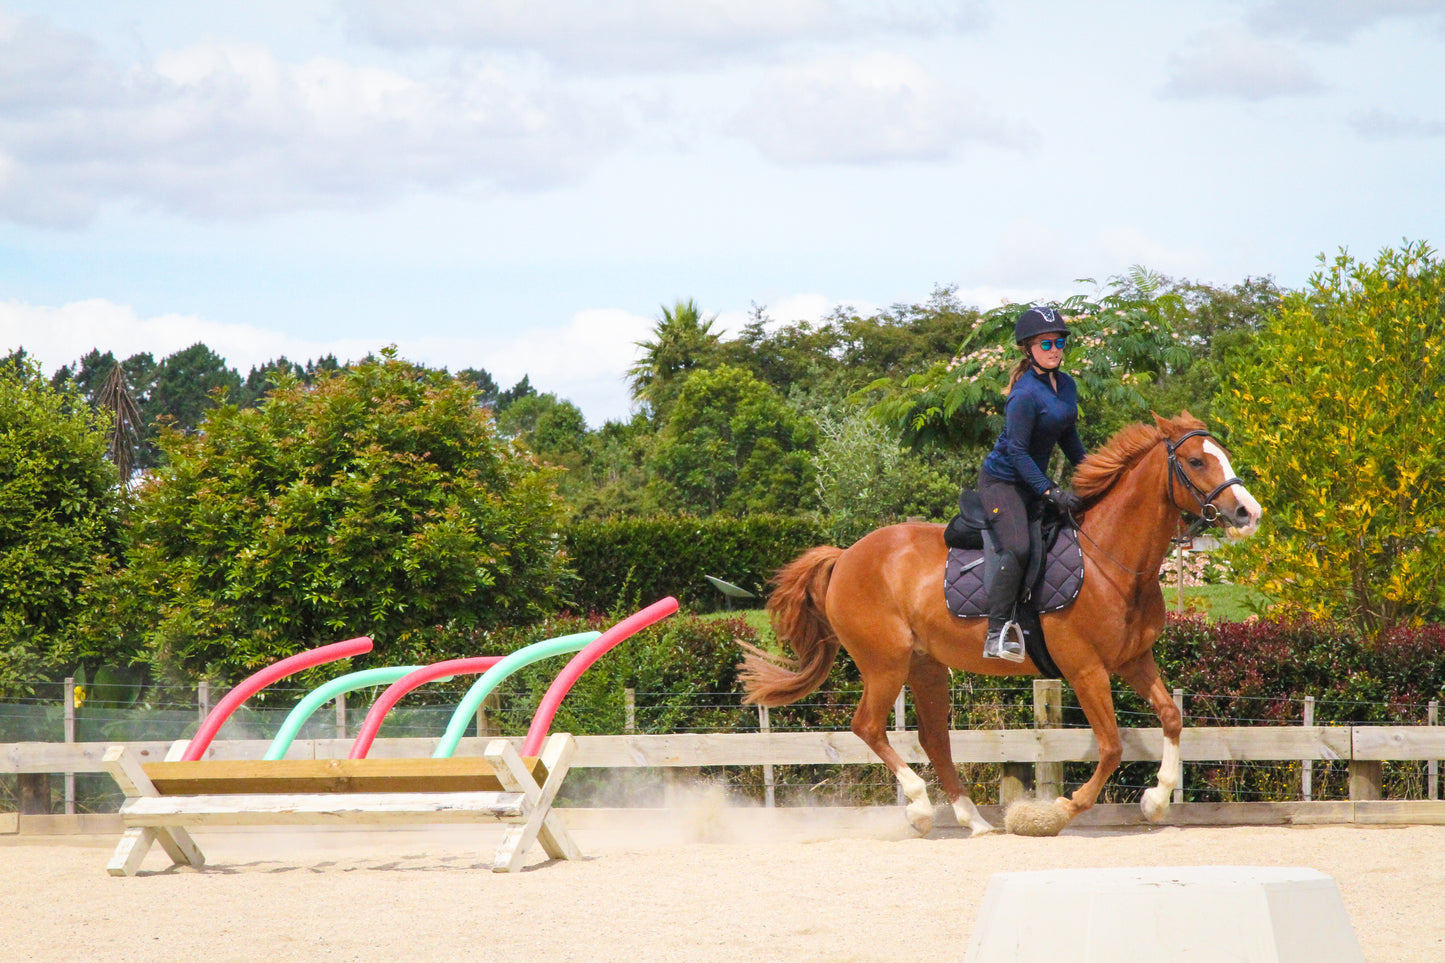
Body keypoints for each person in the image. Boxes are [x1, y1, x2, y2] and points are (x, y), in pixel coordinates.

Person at [977, 306, 1087, 661]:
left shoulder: (1066, 385)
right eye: (1046, 344)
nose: (1055, 349)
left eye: (1059, 342)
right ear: (1028, 349)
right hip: (1004, 482)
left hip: (1033, 480)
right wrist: (1050, 490)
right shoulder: (1023, 395)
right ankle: (996, 633)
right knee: (1019, 548)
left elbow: (1069, 436)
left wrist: (1094, 475)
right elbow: (1019, 452)